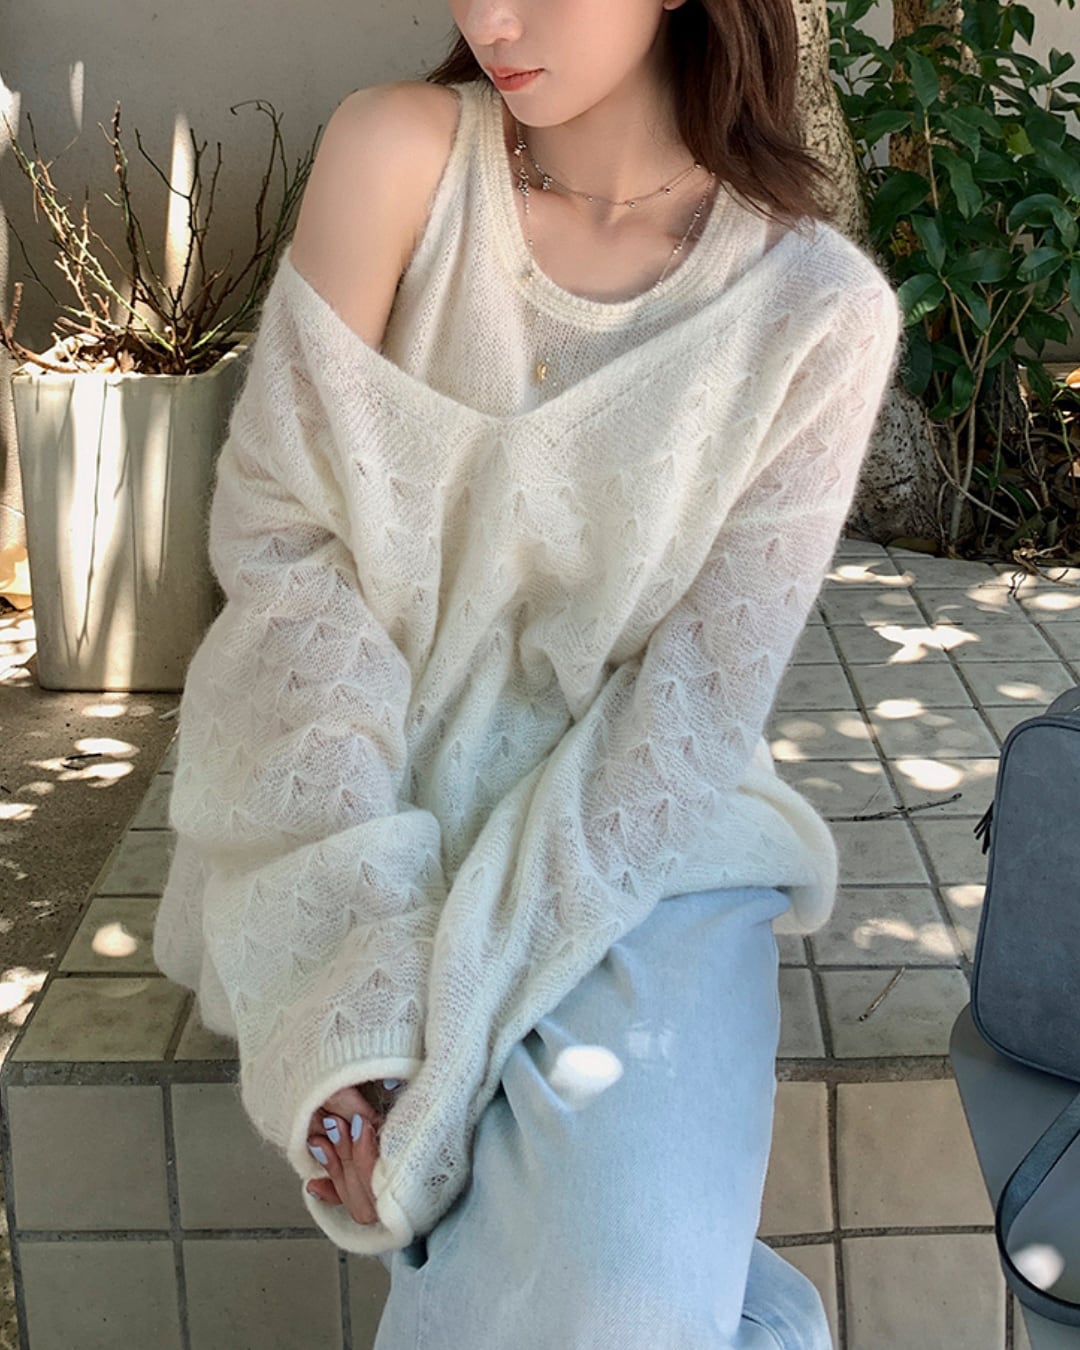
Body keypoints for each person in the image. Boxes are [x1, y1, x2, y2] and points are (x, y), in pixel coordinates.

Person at [152, 0, 902, 1345]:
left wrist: (446, 1069)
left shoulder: (815, 318)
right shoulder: (397, 159)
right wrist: (366, 988)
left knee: (623, 1301)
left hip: (651, 838)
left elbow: (685, 715)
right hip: (362, 800)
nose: (490, 17)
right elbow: (288, 561)